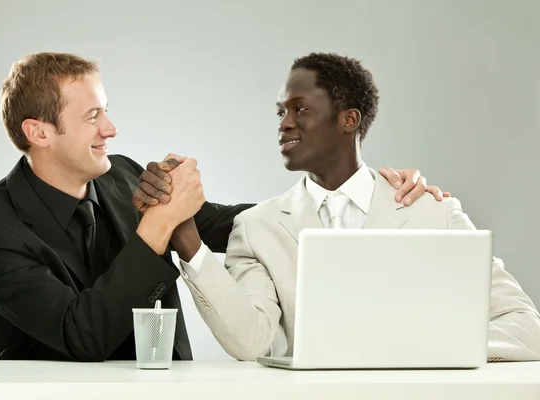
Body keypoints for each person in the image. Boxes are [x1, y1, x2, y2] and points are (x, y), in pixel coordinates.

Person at [0, 52, 440, 362]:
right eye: (93, 115)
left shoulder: (120, 173)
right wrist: (161, 224)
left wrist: (352, 191)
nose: (111, 129)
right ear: (38, 132)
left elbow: (234, 225)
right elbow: (84, 336)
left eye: (107, 109)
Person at [135, 52, 540, 362]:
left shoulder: (432, 213)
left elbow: (526, 326)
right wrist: (187, 240)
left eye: (301, 109)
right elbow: (250, 341)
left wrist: (433, 349)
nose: (284, 123)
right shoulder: (257, 228)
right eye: (281, 111)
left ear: (349, 120)